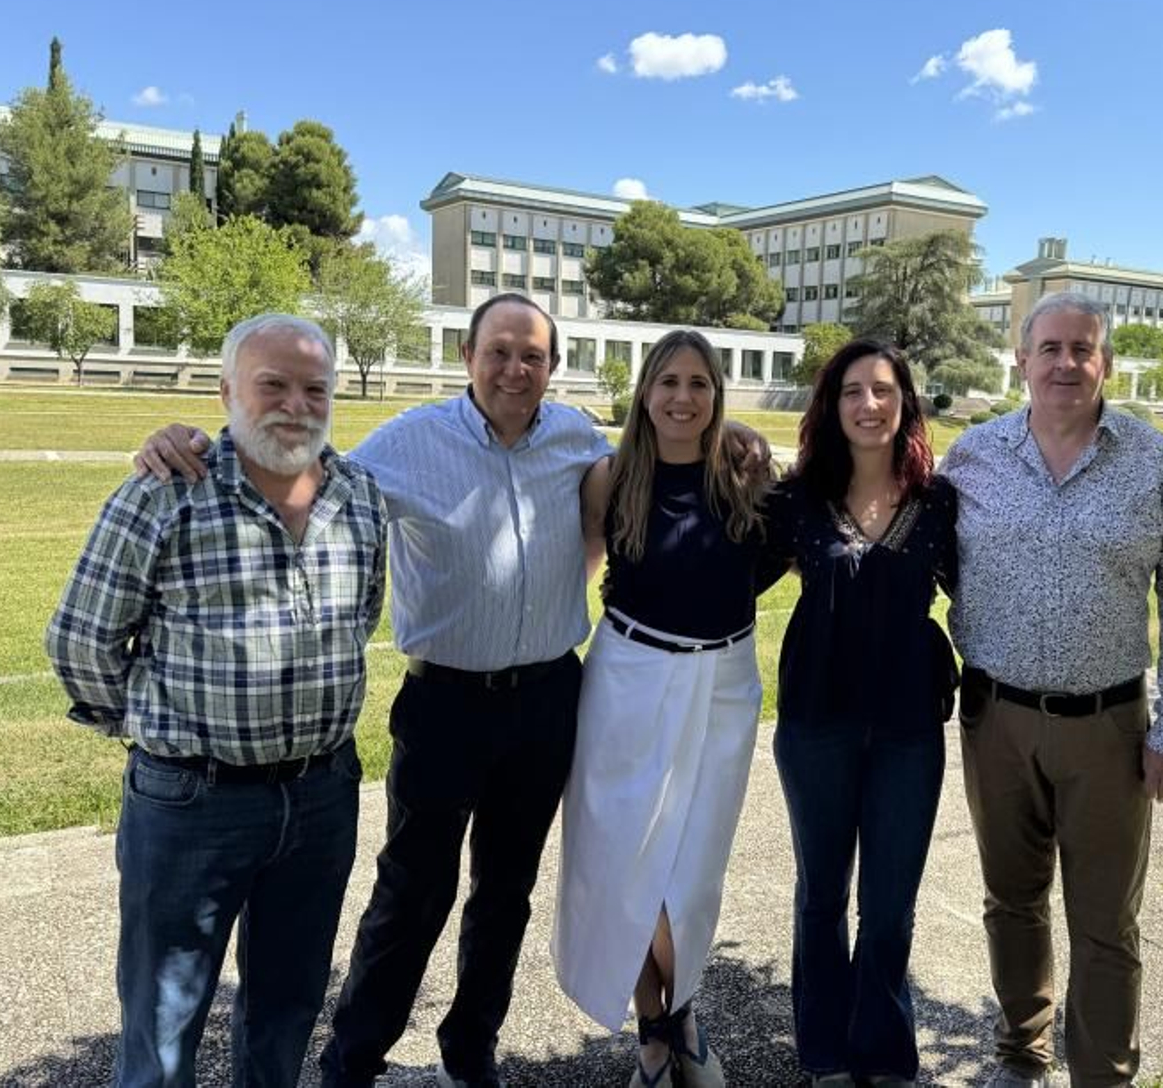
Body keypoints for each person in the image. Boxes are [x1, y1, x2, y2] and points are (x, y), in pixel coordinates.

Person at [136, 293, 614, 1088]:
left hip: (546, 701)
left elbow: (633, 489)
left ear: (553, 367)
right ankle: (355, 1059)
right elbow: (295, 463)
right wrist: (183, 440)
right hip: (446, 704)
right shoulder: (406, 441)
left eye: (532, 355)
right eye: (498, 350)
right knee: (411, 895)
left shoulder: (578, 439)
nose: (514, 368)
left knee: (507, 893)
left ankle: (472, 1047)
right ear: (468, 356)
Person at [48, 314, 387, 1088]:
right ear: (227, 390)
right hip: (191, 804)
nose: (295, 405)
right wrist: (150, 730)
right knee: (163, 1022)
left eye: (314, 389)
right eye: (273, 385)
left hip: (321, 795)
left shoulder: (360, 497)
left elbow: (362, 615)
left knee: (287, 1010)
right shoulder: (164, 493)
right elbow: (80, 639)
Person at [938, 292, 1163, 1088]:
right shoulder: (973, 457)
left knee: (1104, 922)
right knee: (1011, 900)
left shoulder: (1156, 462)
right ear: (1022, 361)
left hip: (1110, 730)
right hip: (995, 718)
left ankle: (1103, 1074)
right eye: (1050, 348)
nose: (1067, 363)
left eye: (1083, 349)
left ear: (1107, 363)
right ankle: (1020, 1055)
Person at [551, 329, 771, 1088]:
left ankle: (681, 1011)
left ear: (717, 396)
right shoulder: (611, 479)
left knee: (691, 869)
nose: (683, 397)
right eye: (669, 382)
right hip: (628, 680)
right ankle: (659, 1028)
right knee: (620, 862)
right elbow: (577, 575)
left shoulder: (745, 477)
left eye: (700, 384)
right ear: (646, 392)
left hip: (724, 685)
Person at [758, 339, 957, 1088]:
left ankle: (883, 1052)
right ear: (829, 404)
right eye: (851, 391)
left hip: (909, 728)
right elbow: (733, 576)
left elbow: (983, 594)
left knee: (889, 908)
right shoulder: (797, 498)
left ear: (905, 402)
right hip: (816, 723)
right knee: (821, 897)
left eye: (882, 390)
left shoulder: (938, 502)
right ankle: (825, 1055)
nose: (868, 405)